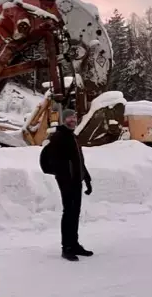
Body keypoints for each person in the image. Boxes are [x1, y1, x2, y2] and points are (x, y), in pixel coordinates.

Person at [48, 109, 93, 261]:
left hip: (76, 181)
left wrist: (86, 178)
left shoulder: (73, 136)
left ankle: (74, 244)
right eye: (69, 117)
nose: (72, 120)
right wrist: (65, 179)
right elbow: (56, 163)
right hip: (67, 182)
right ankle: (66, 247)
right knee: (69, 213)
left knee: (75, 213)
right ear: (63, 119)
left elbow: (79, 160)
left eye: (74, 117)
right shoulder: (59, 137)